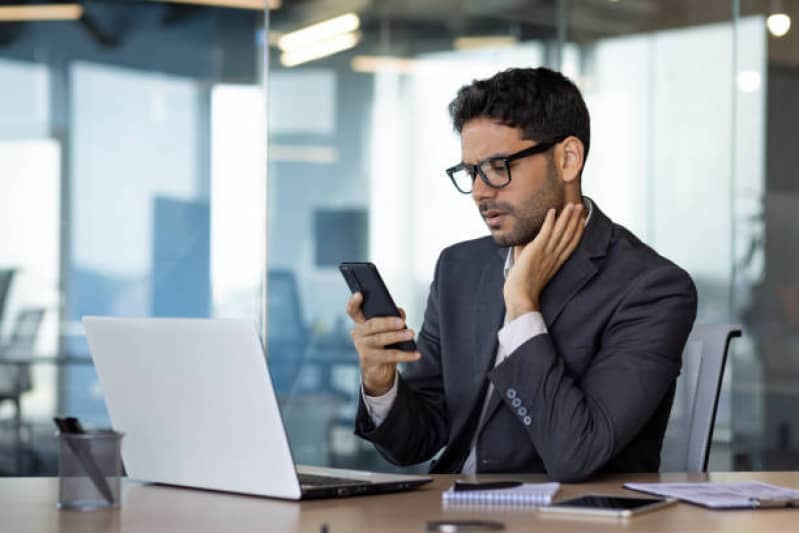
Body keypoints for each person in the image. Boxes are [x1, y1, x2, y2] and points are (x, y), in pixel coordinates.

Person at [345, 67, 697, 481]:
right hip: (448, 511)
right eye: (471, 171)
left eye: (498, 166)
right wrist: (381, 380)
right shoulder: (460, 267)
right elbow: (415, 444)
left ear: (567, 159)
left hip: (566, 519)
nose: (479, 190)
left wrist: (523, 307)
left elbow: (577, 454)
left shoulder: (651, 288)